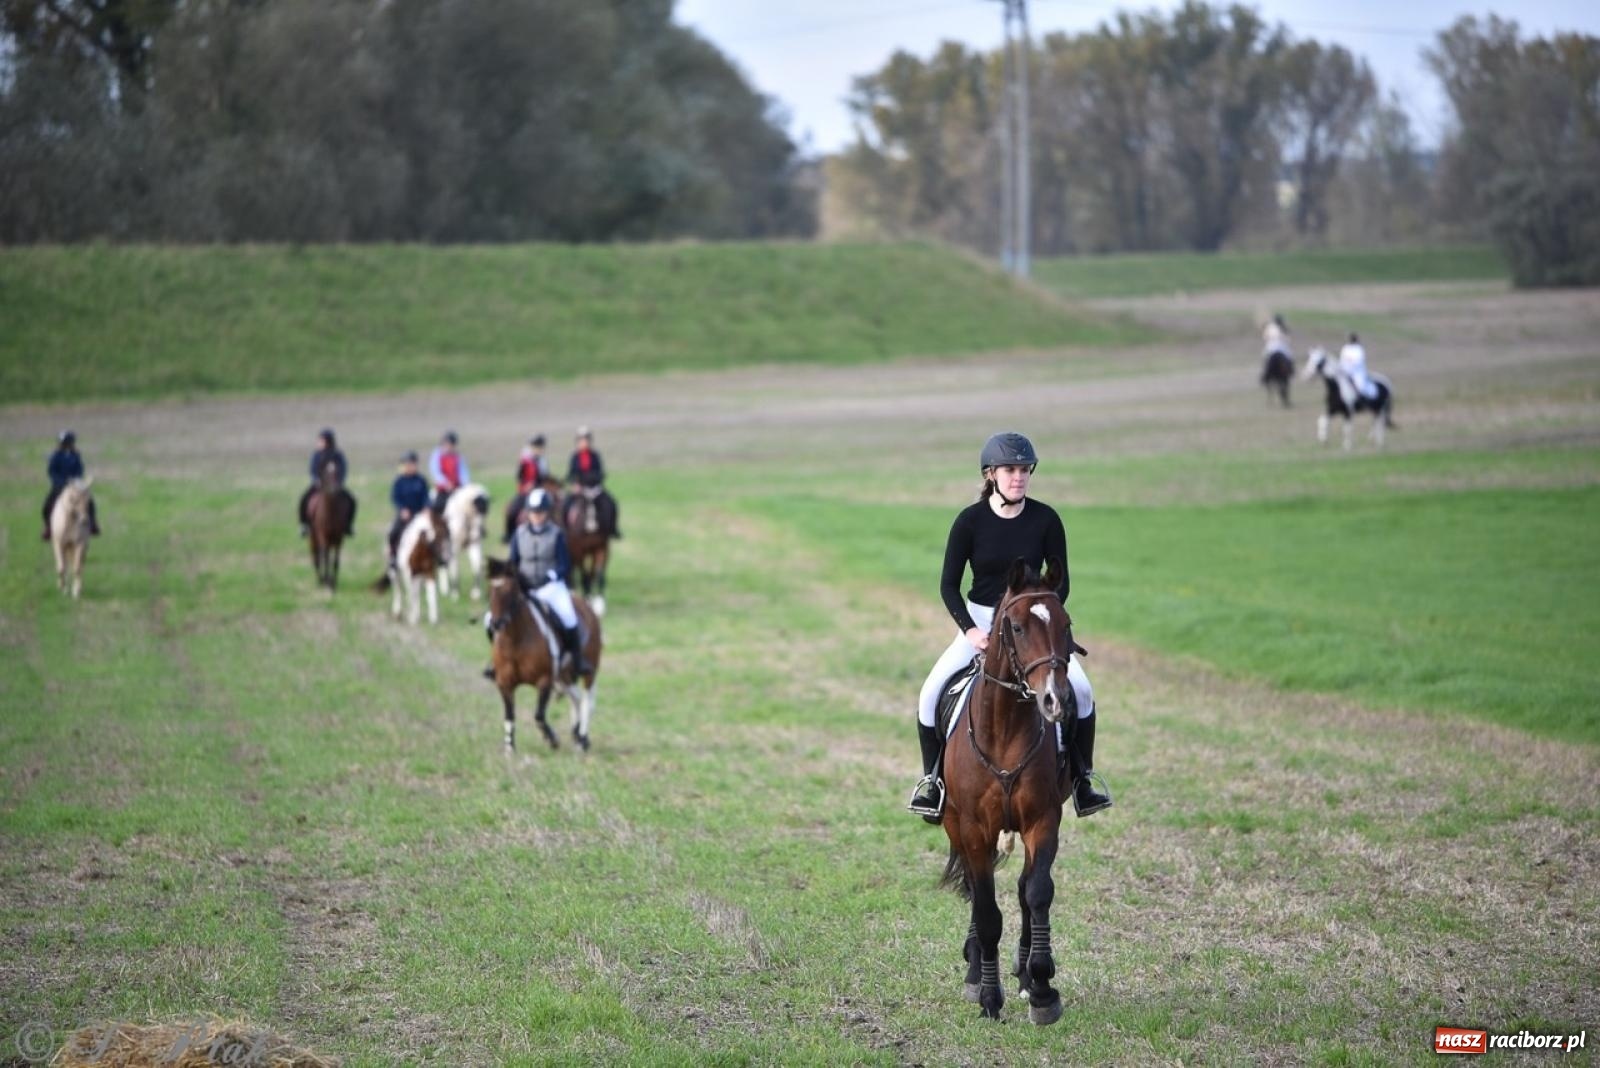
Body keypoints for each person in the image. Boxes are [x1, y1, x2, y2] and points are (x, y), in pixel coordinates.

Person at [908, 432, 1112, 821]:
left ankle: (1083, 780)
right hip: (981, 621)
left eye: (1024, 469)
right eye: (1009, 469)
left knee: (1082, 693)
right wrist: (970, 631)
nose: (1018, 477)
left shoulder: (1047, 519)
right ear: (991, 474)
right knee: (929, 693)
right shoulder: (969, 522)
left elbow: (1061, 582)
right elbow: (948, 585)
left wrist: (1040, 624)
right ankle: (932, 783)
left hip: (1032, 626)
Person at [507, 488, 591, 675]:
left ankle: (577, 661)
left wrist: (551, 576)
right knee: (495, 619)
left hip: (550, 587)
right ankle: (496, 662)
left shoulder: (557, 534)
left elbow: (564, 564)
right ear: (528, 512)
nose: (537, 516)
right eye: (534, 512)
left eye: (541, 512)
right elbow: (512, 562)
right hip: (525, 587)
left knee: (569, 617)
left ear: (547, 513)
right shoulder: (518, 534)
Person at [298, 428, 355, 538]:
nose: (319, 443)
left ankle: (348, 525)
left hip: (335, 486)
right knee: (304, 499)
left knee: (352, 500)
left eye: (321, 440)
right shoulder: (317, 455)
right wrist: (316, 480)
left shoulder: (337, 455)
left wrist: (339, 482)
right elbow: (313, 469)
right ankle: (304, 525)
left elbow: (343, 469)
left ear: (328, 441)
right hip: (319, 486)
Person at [42, 430, 99, 540]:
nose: (66, 444)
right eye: (64, 442)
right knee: (47, 505)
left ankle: (92, 524)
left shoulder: (76, 455)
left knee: (89, 502)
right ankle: (48, 527)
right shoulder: (55, 456)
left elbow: (79, 469)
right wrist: (61, 482)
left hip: (75, 485)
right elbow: (52, 471)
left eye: (68, 442)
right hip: (59, 485)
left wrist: (75, 480)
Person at [565, 426, 621, 539]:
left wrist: (595, 480)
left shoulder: (595, 456)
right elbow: (570, 475)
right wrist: (575, 484)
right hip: (580, 489)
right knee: (565, 505)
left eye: (586, 440)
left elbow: (600, 472)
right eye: (581, 440)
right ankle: (565, 531)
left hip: (595, 489)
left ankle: (612, 528)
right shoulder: (575, 457)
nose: (584, 443)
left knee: (611, 503)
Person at [388, 451, 431, 571]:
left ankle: (435, 558)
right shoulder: (399, 481)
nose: (411, 466)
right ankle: (393, 558)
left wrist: (426, 507)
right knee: (393, 533)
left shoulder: (421, 480)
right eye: (409, 464)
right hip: (405, 515)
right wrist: (402, 509)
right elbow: (395, 497)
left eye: (413, 464)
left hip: (419, 514)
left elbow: (426, 496)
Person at [505, 435, 552, 543]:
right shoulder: (525, 460)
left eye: (540, 447)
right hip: (526, 492)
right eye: (536, 447)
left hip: (541, 491)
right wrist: (526, 485)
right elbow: (519, 476)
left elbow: (545, 477)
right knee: (512, 510)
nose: (539, 450)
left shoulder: (543, 461)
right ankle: (510, 536)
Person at [428, 430, 471, 512]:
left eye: (452, 444)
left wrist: (465, 485)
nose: (449, 446)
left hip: (457, 488)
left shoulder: (458, 457)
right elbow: (436, 472)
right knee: (437, 506)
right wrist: (446, 483)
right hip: (443, 489)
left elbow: (463, 473)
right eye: (447, 443)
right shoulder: (437, 455)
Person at [1339, 332, 1379, 401]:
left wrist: (1350, 361)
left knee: (1360, 386)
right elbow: (1342, 360)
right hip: (1345, 371)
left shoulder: (1359, 349)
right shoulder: (1346, 348)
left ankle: (1363, 399)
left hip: (1357, 372)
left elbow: (1358, 361)